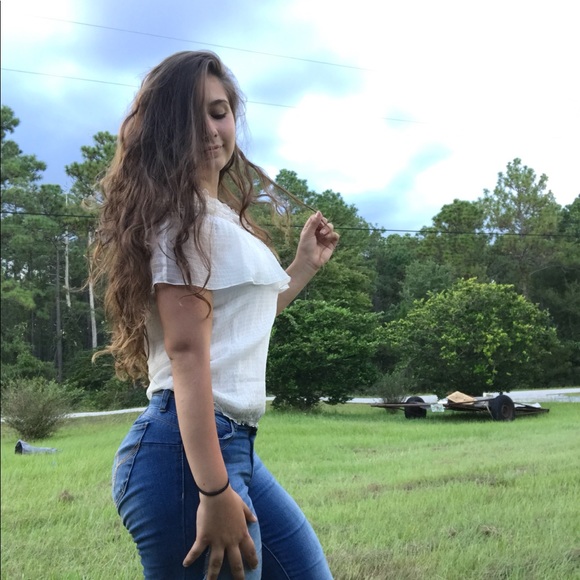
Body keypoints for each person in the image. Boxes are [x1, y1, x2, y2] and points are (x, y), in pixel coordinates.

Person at [91, 50, 339, 579]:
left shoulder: (218, 217)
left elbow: (239, 327)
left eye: (219, 112)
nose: (210, 128)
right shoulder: (180, 220)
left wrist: (302, 267)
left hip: (232, 448)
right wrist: (212, 488)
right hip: (187, 459)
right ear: (164, 130)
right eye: (192, 116)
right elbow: (187, 353)